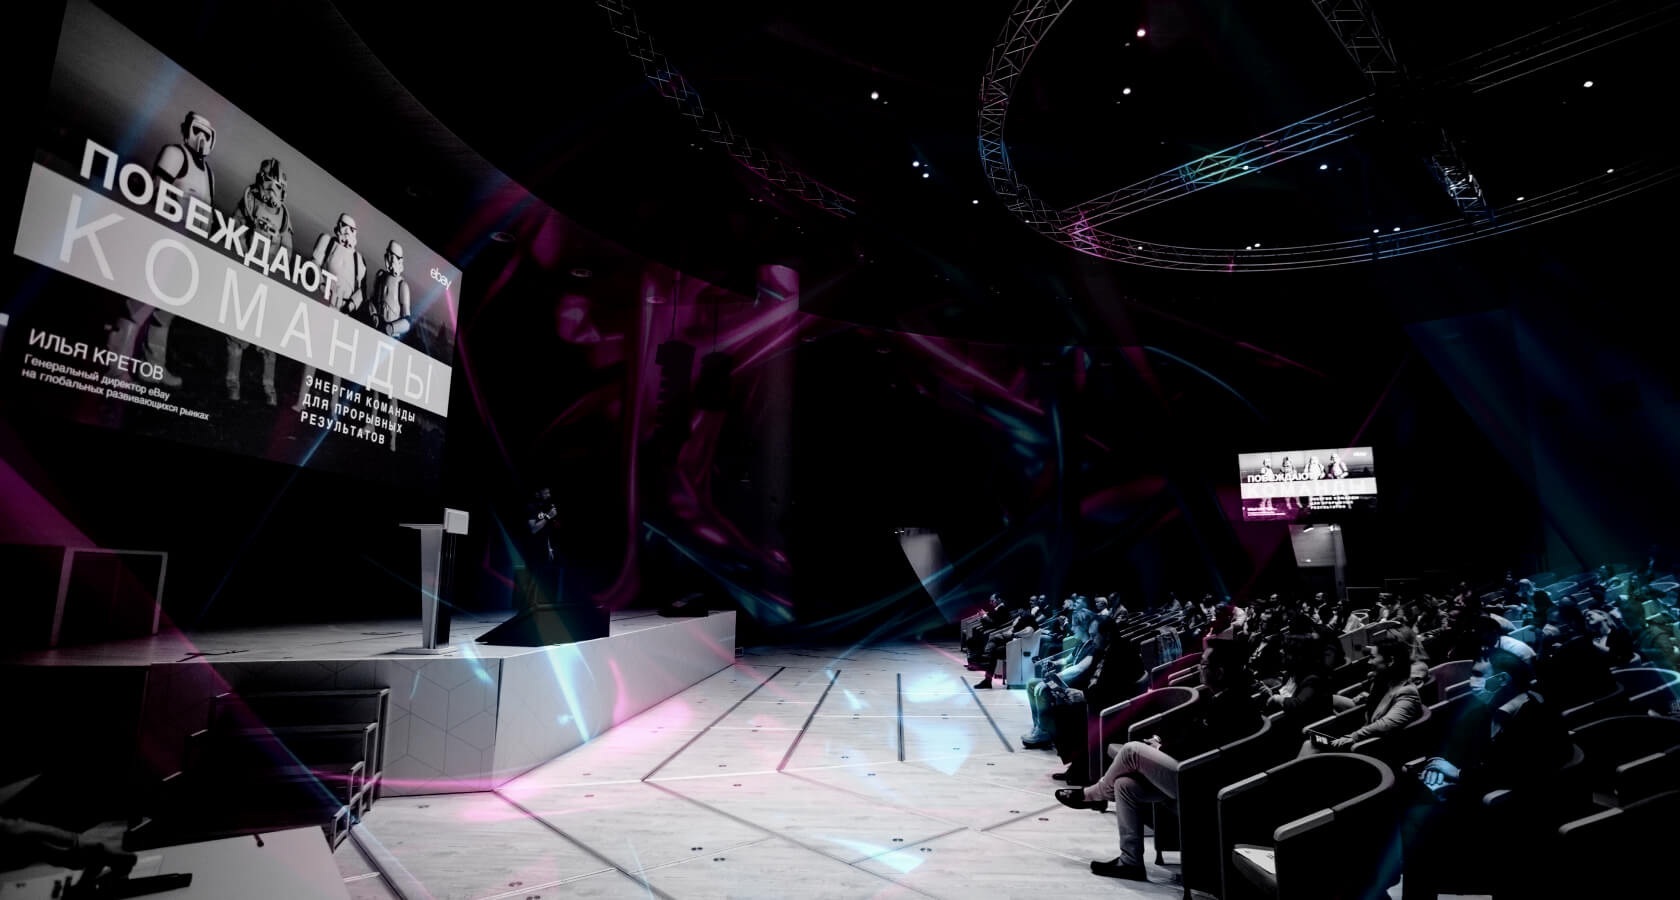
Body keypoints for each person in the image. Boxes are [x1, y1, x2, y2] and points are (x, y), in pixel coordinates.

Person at [1055, 638, 1262, 882]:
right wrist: (1160, 740)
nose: (1199, 668)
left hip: (1203, 780)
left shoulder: (1235, 703)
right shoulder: (1215, 696)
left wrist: (1163, 748)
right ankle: (1130, 862)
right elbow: (1187, 730)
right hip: (1188, 768)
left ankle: (1094, 794)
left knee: (1132, 751)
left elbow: (1206, 747)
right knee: (1125, 786)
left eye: (1204, 664)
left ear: (1220, 672)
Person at [1393, 652, 1569, 899]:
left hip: (1509, 816)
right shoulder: (1486, 709)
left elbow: (1521, 774)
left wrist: (1458, 774)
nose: (1471, 682)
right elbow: (1451, 743)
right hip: (1475, 792)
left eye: (1478, 675)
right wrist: (1438, 767)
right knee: (1405, 798)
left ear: (1502, 679)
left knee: (1416, 827)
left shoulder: (1538, 718)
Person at [106, 112, 216, 390]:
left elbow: (207, 212)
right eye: (197, 131)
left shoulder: (208, 172)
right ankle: (115, 367)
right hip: (165, 239)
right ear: (186, 130)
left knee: (165, 311)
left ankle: (152, 368)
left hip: (187, 247)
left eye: (207, 134)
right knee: (140, 306)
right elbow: (156, 192)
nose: (201, 138)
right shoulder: (175, 154)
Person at [227, 158, 291, 405]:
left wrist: (277, 267)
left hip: (268, 280)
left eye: (277, 186)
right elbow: (235, 228)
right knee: (237, 332)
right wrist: (243, 254)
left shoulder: (283, 216)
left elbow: (287, 249)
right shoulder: (249, 201)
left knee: (269, 339)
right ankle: (232, 382)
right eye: (268, 183)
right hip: (247, 274)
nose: (271, 190)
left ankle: (268, 386)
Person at [294, 214, 367, 411]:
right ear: (338, 227)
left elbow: (361, 290)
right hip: (324, 306)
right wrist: (321, 284)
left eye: (351, 229)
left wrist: (351, 305)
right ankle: (302, 401)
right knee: (313, 356)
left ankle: (334, 408)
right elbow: (313, 265)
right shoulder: (327, 242)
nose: (347, 232)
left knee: (337, 363)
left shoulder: (358, 259)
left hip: (343, 312)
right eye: (344, 227)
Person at [1305, 634, 1422, 755]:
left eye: (1372, 657)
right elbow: (1379, 707)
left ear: (1390, 661)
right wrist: (1367, 698)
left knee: (1310, 746)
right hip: (1362, 735)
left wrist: (1353, 737)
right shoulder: (1383, 682)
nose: (1369, 661)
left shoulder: (1407, 693)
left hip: (1372, 748)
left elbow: (1385, 724)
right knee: (1310, 742)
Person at [368, 240, 413, 339]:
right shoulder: (380, 276)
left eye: (392, 257)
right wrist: (374, 314)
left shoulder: (402, 285)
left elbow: (407, 321)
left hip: (391, 335)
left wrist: (391, 328)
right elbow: (372, 300)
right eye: (388, 255)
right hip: (376, 329)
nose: (388, 260)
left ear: (399, 261)